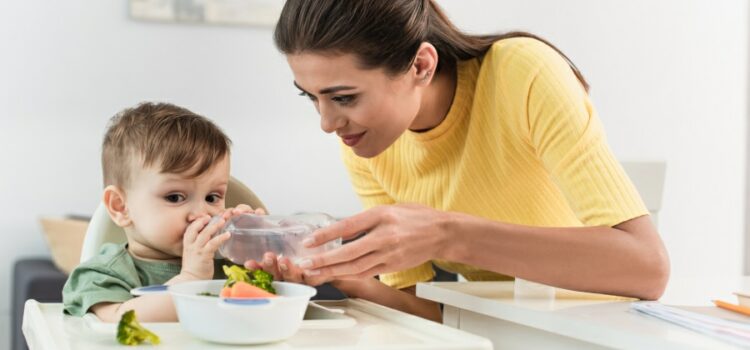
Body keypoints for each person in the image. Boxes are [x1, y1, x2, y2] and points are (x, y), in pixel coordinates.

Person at [254, 0, 670, 321]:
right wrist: (346, 279)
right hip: (496, 330)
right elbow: (431, 314)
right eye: (311, 96)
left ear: (420, 65)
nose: (327, 123)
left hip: (594, 329)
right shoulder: (369, 143)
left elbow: (647, 269)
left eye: (344, 98)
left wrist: (447, 235)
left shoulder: (521, 73)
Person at [62, 102, 262, 322]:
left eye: (212, 198)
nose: (201, 214)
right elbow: (119, 323)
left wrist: (263, 255)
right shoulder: (102, 275)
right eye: (175, 197)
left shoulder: (230, 263)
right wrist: (191, 278)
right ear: (120, 207)